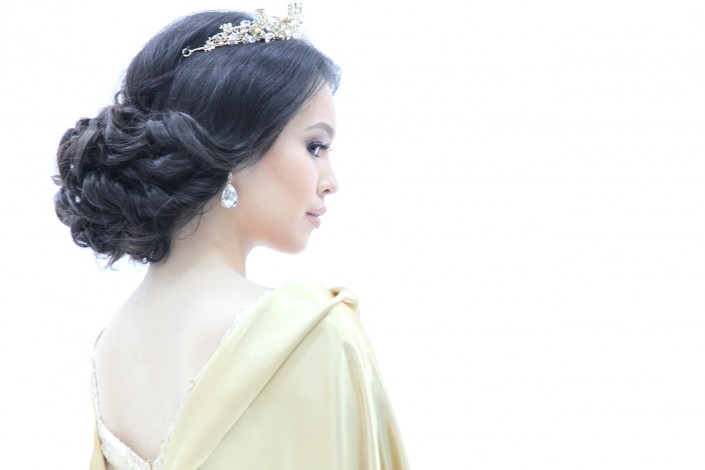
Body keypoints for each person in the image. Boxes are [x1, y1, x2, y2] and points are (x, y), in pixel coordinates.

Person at [53, 3, 408, 469]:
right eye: (315, 146)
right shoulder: (307, 331)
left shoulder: (109, 349)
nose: (330, 181)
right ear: (236, 147)